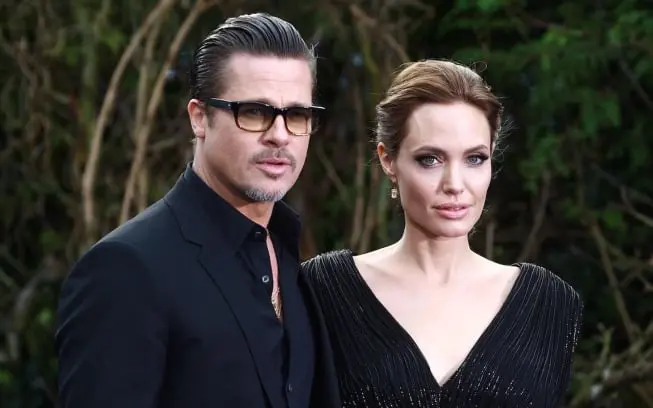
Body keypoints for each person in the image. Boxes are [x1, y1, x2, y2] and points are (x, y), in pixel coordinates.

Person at [55, 13, 340, 408]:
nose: (279, 135)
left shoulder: (295, 262)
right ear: (200, 118)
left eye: (296, 115)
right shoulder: (126, 268)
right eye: (254, 112)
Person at [302, 59, 583, 407]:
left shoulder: (550, 305)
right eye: (430, 159)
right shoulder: (323, 290)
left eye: (475, 159)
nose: (455, 184)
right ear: (388, 160)